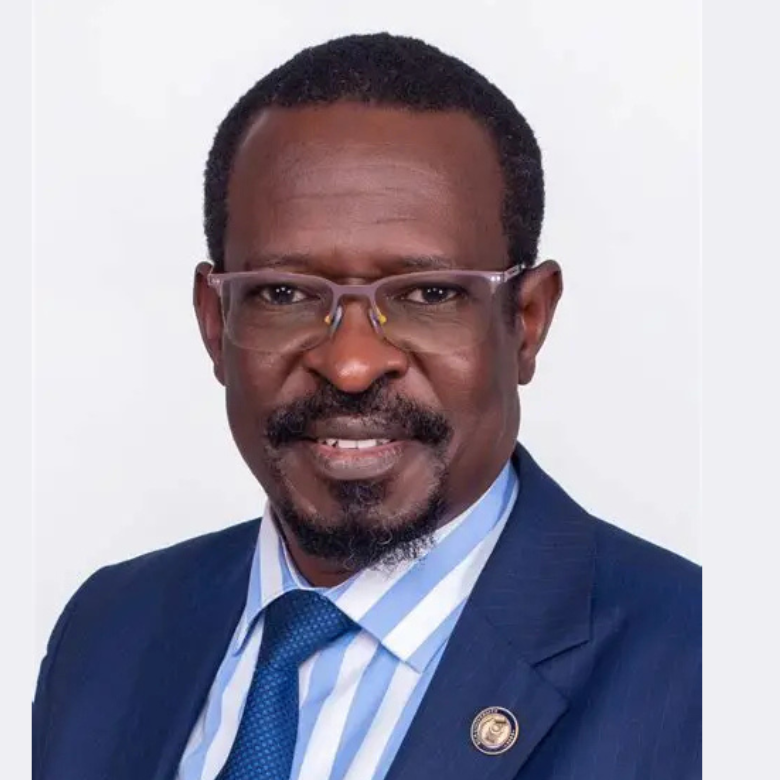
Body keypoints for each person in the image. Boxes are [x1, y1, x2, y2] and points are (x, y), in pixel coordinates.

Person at [32, 32, 701, 780]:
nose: (351, 365)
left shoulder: (703, 672)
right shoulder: (109, 632)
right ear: (215, 323)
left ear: (527, 321)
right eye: (284, 293)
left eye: (429, 294)